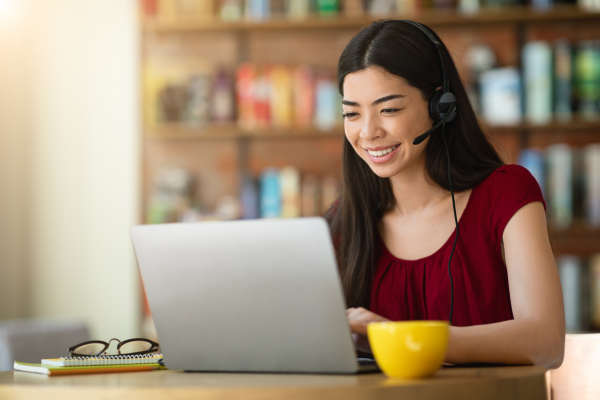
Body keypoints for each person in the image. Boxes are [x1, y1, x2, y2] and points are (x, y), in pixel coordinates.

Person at [326, 20, 565, 368]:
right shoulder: (343, 219)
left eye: (389, 109)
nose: (368, 132)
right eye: (351, 113)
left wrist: (406, 339)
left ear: (441, 105)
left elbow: (546, 342)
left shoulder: (506, 194)